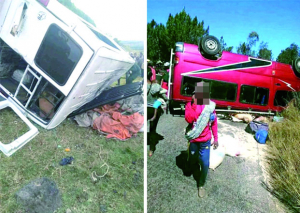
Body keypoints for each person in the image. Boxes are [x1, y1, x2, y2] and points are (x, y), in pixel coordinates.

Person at [185, 81, 218, 198]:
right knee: (193, 159)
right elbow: (189, 119)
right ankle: (191, 163)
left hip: (205, 140)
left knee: (205, 163)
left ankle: (201, 184)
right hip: (194, 140)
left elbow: (214, 123)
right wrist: (194, 104)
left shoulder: (210, 106)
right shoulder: (190, 105)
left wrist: (216, 138)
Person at [147, 68, 168, 156]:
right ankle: (151, 149)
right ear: (151, 76)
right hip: (153, 109)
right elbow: (165, 98)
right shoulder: (156, 86)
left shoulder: (142, 85)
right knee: (152, 129)